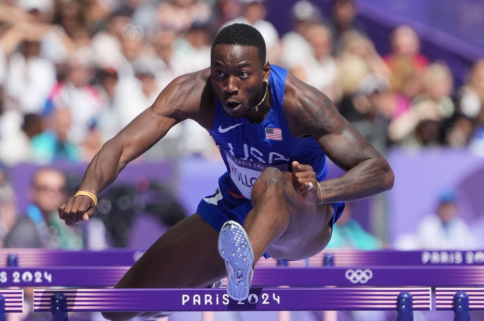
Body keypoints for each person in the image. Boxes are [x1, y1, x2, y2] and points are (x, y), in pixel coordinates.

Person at [58, 24, 394, 321]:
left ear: (264, 72)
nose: (229, 86)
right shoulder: (193, 92)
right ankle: (225, 269)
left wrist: (321, 192)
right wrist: (88, 190)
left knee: (272, 179)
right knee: (120, 306)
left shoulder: (301, 103)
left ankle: (239, 266)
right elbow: (122, 145)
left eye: (242, 75)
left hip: (302, 220)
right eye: (220, 74)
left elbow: (379, 171)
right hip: (236, 210)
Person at [5, 168, 83, 249]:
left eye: (60, 189)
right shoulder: (24, 230)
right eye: (44, 188)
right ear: (32, 192)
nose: (52, 195)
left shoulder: (52, 225)